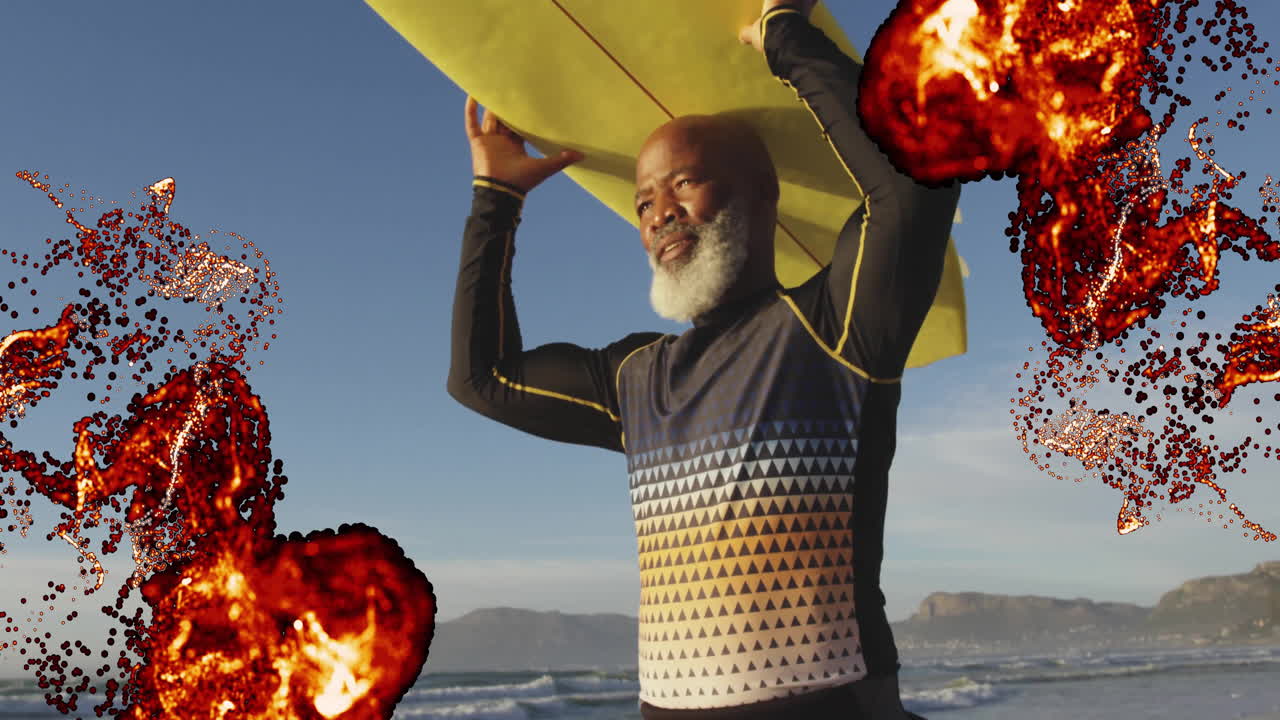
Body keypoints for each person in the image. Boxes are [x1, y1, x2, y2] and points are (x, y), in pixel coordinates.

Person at [450, 1, 957, 717]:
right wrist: (495, 201)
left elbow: (912, 179)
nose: (659, 212)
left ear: (761, 194)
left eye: (684, 183)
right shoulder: (636, 379)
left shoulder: (834, 327)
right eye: (643, 202)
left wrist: (786, 35)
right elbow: (483, 380)